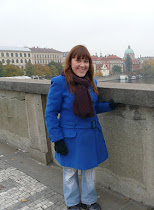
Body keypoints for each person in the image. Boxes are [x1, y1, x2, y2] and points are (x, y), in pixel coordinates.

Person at [45, 45, 118, 210]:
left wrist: (109, 106)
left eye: (86, 61)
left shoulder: (91, 82)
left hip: (91, 135)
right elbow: (50, 114)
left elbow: (92, 108)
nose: (82, 65)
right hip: (70, 137)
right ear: (70, 61)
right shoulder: (59, 83)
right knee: (70, 172)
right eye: (78, 60)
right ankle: (72, 203)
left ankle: (89, 200)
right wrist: (57, 139)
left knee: (90, 171)